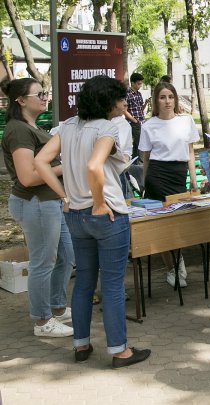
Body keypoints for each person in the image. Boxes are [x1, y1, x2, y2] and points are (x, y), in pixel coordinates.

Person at [35, 75, 151, 368]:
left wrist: (64, 195)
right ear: (107, 101)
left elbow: (40, 162)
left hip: (75, 214)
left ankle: (81, 344)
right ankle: (119, 351)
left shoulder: (67, 126)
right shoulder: (106, 128)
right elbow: (93, 165)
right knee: (112, 284)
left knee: (85, 280)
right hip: (106, 215)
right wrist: (99, 202)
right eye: (119, 98)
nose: (123, 103)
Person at [1, 78, 74, 338]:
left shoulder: (32, 126)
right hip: (37, 203)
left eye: (46, 92)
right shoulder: (18, 130)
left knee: (66, 256)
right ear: (21, 100)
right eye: (40, 93)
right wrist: (65, 166)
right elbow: (28, 178)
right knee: (44, 262)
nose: (45, 97)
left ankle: (55, 307)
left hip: (49, 201)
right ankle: (42, 321)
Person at [139, 82, 199, 288]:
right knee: (162, 224)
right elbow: (146, 158)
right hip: (157, 175)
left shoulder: (186, 121)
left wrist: (193, 179)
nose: (167, 101)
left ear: (176, 99)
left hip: (178, 174)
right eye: (162, 97)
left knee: (178, 222)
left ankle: (179, 259)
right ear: (156, 100)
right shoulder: (148, 125)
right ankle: (171, 268)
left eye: (170, 97)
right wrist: (145, 183)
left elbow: (190, 152)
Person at [124, 72, 147, 160]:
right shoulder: (127, 94)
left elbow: (140, 108)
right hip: (134, 122)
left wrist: (146, 103)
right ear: (132, 83)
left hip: (141, 121)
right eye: (138, 83)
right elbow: (124, 110)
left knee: (137, 144)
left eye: (141, 83)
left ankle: (134, 161)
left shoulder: (139, 94)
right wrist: (133, 120)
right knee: (141, 143)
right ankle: (142, 162)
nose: (140, 85)